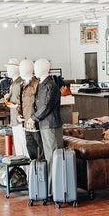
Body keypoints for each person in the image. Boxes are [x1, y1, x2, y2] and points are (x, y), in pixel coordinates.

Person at [31, 58, 63, 198]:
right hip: (44, 125)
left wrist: (34, 118)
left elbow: (46, 106)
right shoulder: (42, 84)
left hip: (50, 125)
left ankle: (52, 191)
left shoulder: (50, 85)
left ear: (45, 68)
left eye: (37, 67)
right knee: (47, 158)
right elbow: (39, 105)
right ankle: (49, 189)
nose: (35, 70)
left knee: (52, 158)